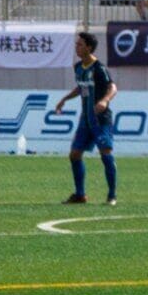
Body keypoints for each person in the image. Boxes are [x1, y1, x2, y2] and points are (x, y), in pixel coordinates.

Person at [50, 29, 118, 206]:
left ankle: (112, 195)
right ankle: (80, 194)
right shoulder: (78, 67)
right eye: (76, 44)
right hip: (85, 119)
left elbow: (113, 88)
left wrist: (104, 101)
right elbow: (81, 87)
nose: (76, 47)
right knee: (74, 154)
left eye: (79, 44)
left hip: (101, 119)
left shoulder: (99, 68)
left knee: (106, 153)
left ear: (89, 47)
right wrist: (65, 99)